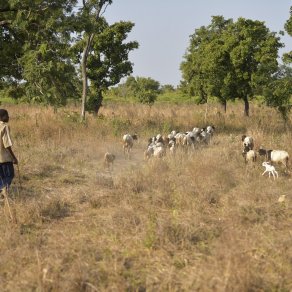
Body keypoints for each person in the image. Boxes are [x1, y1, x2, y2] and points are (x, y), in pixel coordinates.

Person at [0, 109, 18, 192]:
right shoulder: (4, 126)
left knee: (2, 177)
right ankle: (2, 191)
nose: (8, 117)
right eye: (6, 115)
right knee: (9, 175)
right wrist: (13, 157)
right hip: (4, 158)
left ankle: (2, 194)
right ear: (1, 117)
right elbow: (7, 144)